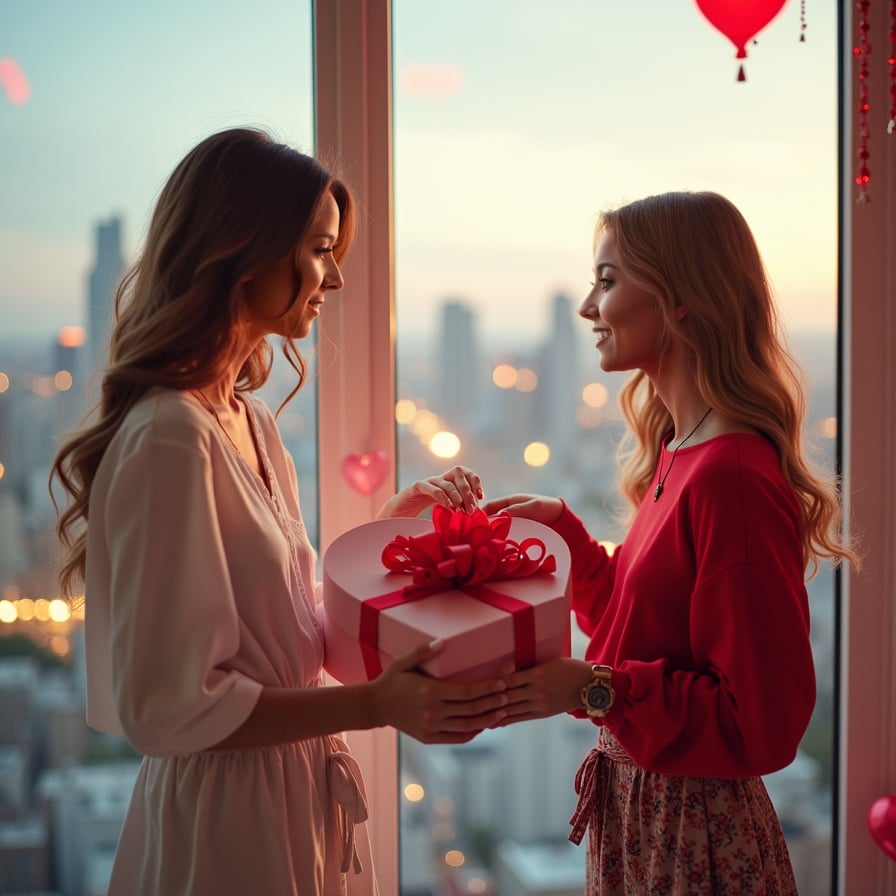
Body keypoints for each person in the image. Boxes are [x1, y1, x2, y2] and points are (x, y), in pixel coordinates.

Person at [50, 126, 509, 896]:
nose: (332, 277)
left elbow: (299, 637)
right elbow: (166, 709)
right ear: (244, 249)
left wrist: (392, 533)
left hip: (286, 799)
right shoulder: (170, 436)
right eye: (320, 248)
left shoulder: (250, 421)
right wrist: (373, 706)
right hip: (227, 822)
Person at [483, 191, 857, 895]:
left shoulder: (731, 478)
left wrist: (593, 687)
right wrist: (567, 534)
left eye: (608, 279)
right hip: (649, 819)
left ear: (681, 297)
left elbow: (764, 726)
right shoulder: (678, 451)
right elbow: (643, 630)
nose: (589, 309)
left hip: (693, 836)